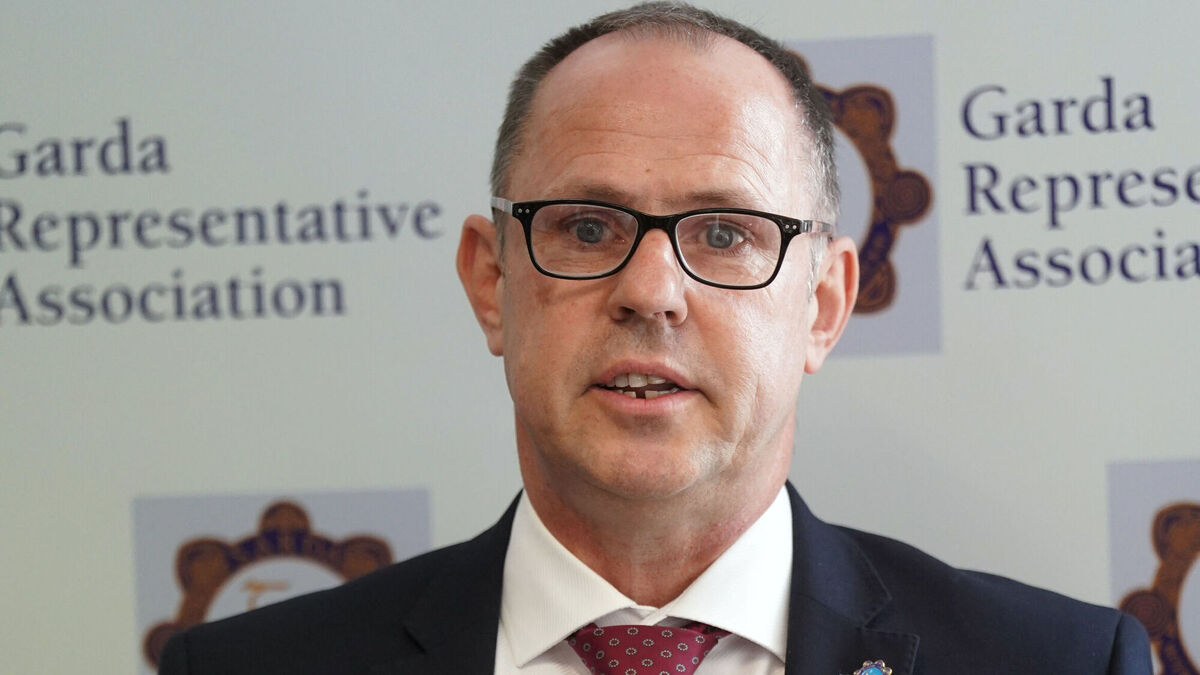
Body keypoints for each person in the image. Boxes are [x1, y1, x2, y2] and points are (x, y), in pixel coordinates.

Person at [159, 3, 1152, 674]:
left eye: (724, 234)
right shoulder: (247, 668)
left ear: (823, 304)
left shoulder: (1059, 663)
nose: (650, 292)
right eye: (587, 228)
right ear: (491, 282)